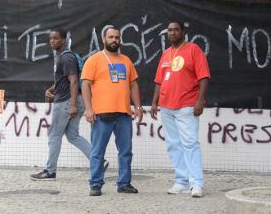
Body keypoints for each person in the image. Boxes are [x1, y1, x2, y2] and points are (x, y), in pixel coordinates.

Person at [30, 28, 101, 180]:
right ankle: (98, 162)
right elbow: (63, 80)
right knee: (73, 135)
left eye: (55, 38)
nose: (52, 41)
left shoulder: (66, 57)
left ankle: (50, 171)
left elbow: (74, 80)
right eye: (50, 38)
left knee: (54, 135)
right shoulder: (63, 57)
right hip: (72, 100)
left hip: (66, 102)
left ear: (63, 40)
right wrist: (51, 89)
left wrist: (73, 104)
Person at [151, 21, 210, 198]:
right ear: (166, 34)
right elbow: (159, 81)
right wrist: (154, 102)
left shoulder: (193, 49)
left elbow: (204, 76)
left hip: (187, 105)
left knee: (190, 143)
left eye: (176, 30)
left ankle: (196, 183)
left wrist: (200, 100)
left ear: (183, 32)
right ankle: (181, 182)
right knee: (173, 145)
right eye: (170, 30)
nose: (173, 33)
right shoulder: (166, 53)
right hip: (166, 106)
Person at [81, 27, 143, 196]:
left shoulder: (126, 61)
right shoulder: (94, 60)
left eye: (117, 37)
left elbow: (133, 84)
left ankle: (124, 183)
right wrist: (88, 109)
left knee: (125, 151)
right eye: (111, 37)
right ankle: (95, 184)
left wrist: (138, 107)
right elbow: (85, 84)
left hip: (123, 114)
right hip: (101, 115)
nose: (114, 40)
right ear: (103, 39)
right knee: (97, 152)